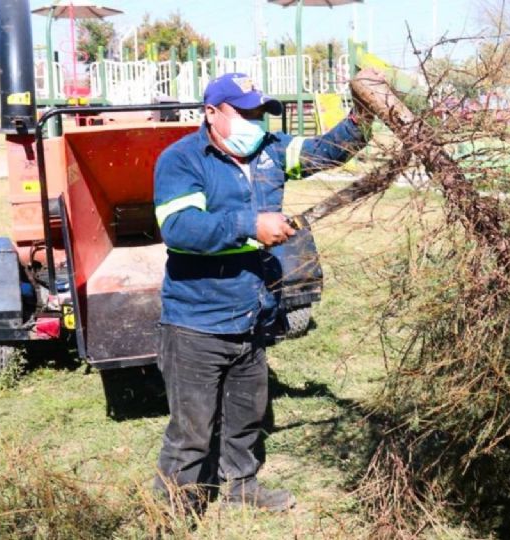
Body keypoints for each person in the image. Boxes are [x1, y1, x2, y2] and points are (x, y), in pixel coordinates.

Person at [152, 72, 372, 512]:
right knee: (192, 430)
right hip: (197, 322)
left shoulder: (269, 151)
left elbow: (324, 152)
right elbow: (178, 229)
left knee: (245, 416)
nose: (257, 121)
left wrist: (363, 117)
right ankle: (174, 511)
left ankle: (240, 487)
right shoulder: (182, 160)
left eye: (261, 113)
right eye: (245, 112)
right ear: (211, 113)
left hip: (252, 315)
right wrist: (249, 226)